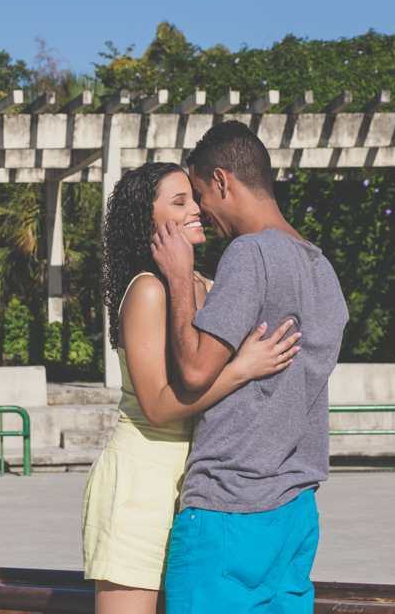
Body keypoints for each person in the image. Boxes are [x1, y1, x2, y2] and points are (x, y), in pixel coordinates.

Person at [82, 161, 303, 614]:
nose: (196, 209)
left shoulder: (210, 284)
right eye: (178, 202)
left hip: (196, 484)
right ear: (147, 222)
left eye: (194, 198)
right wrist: (243, 368)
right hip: (140, 483)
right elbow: (160, 408)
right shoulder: (147, 290)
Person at [151, 121, 349, 614]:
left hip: (230, 509)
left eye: (199, 194)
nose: (200, 212)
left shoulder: (250, 252)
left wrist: (178, 278)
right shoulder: (323, 268)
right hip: (296, 512)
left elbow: (195, 371)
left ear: (222, 181)